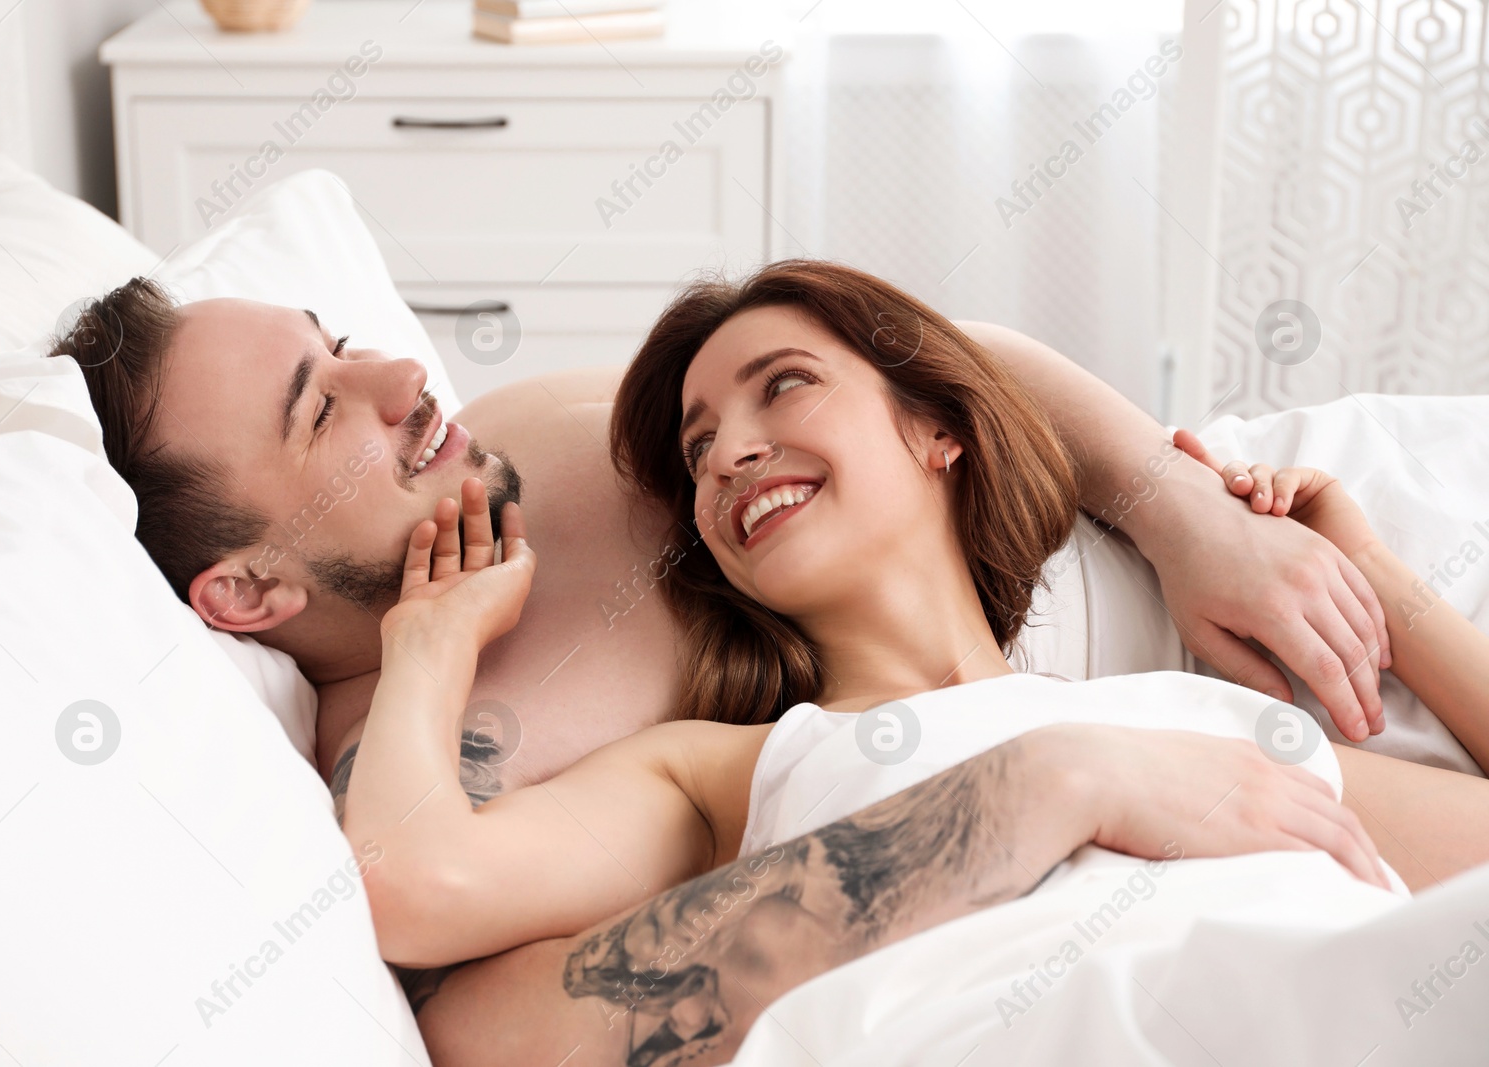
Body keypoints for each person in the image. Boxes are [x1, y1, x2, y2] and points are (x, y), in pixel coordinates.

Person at [335, 261, 1489, 1065]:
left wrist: (1376, 579)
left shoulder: (1188, 722)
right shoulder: (731, 771)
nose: (729, 452)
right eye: (697, 451)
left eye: (783, 384)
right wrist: (427, 644)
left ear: (939, 428)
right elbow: (419, 897)